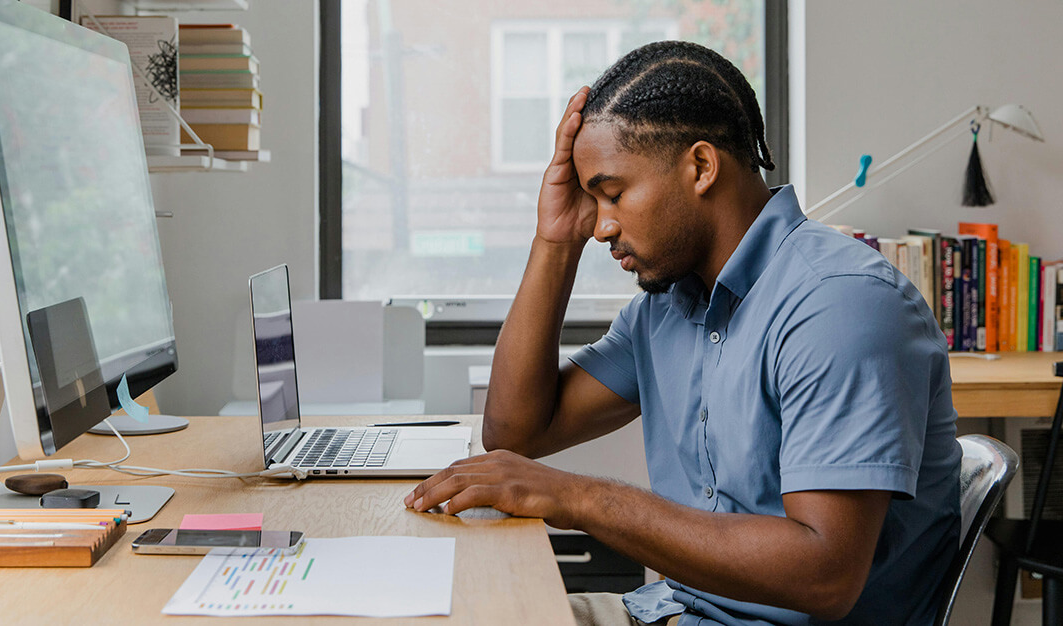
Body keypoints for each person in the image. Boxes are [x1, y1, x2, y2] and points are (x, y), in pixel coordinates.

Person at [404, 41, 961, 625]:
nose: (602, 227)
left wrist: (580, 497)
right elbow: (515, 431)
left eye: (613, 194)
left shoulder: (839, 304)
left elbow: (824, 576)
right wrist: (555, 240)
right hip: (675, 611)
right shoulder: (668, 305)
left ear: (700, 167)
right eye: (592, 201)